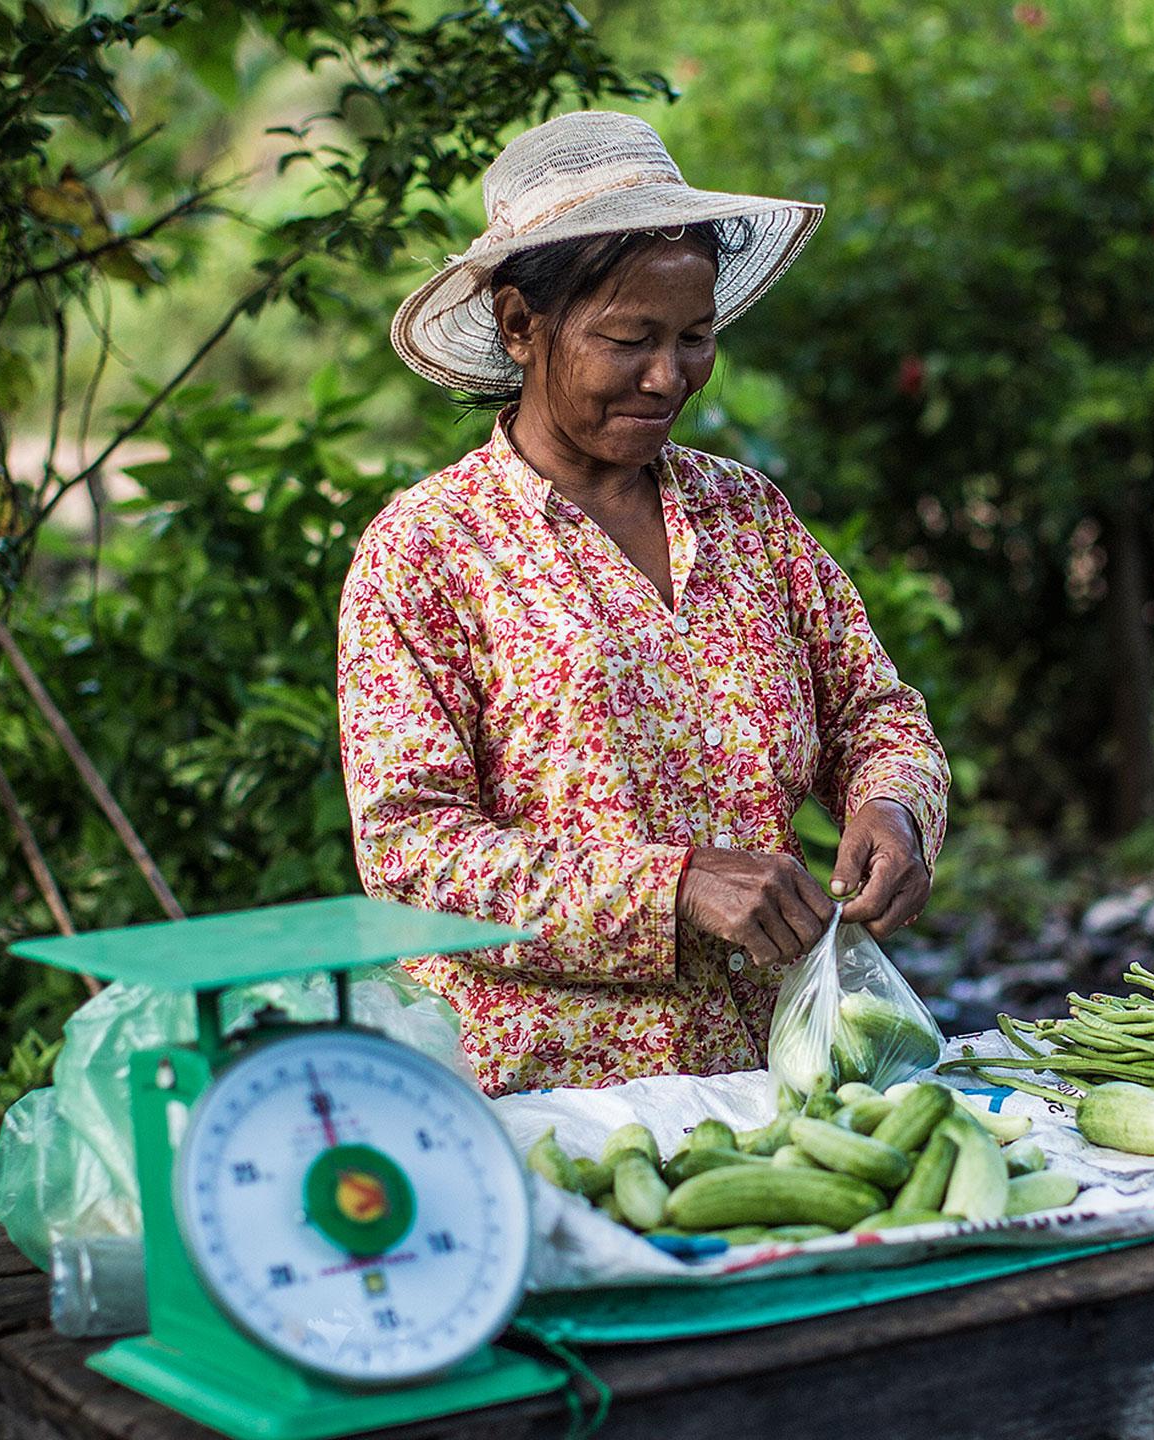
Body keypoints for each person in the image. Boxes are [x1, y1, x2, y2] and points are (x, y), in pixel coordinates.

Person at [339, 111, 949, 1096]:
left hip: (781, 1068)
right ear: (518, 325)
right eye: (631, 340)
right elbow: (414, 851)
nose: (670, 377)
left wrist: (894, 806)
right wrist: (668, 889)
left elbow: (875, 715)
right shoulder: (429, 553)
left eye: (695, 337)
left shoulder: (745, 515)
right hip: (549, 1098)